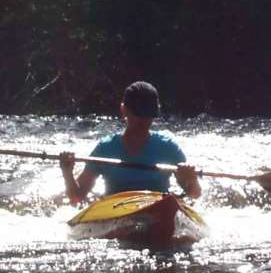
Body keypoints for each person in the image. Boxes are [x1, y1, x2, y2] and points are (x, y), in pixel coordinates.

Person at [59, 81, 201, 206]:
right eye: (138, 114)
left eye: (148, 115)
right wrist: (67, 172)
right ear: (124, 110)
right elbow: (76, 197)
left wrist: (192, 179)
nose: (143, 121)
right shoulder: (105, 148)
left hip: (158, 207)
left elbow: (194, 194)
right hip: (114, 208)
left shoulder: (169, 148)